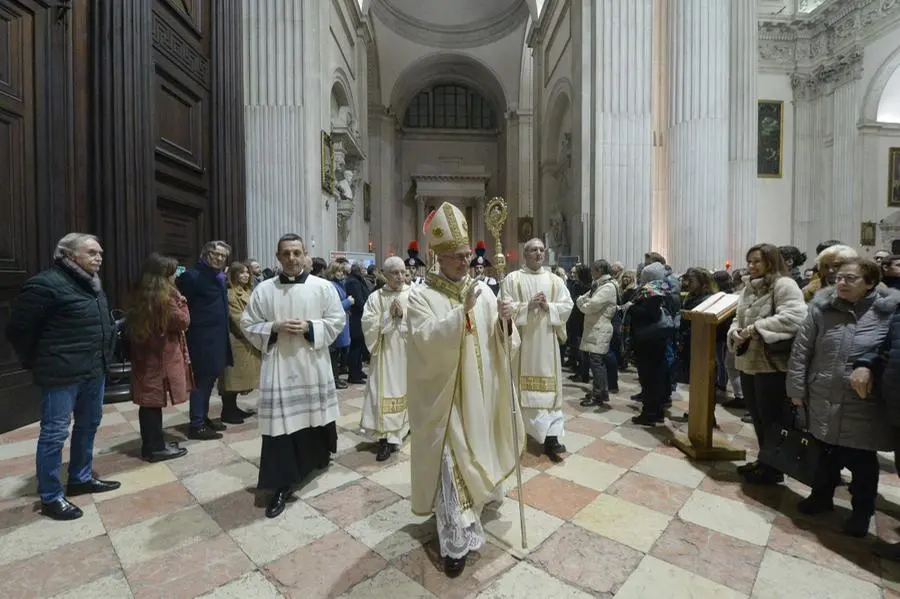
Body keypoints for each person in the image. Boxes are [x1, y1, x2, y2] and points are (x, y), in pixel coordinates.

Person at [407, 202, 524, 577]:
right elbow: (424, 342)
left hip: (483, 398)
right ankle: (454, 544)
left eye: (468, 256)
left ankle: (480, 502)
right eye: (456, 257)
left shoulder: (486, 294)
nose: (465, 262)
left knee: (480, 455)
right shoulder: (421, 298)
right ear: (436, 257)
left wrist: (506, 324)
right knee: (451, 469)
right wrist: (461, 313)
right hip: (448, 404)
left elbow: (504, 345)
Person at [5, 233, 120, 520]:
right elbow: (17, 329)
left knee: (89, 424)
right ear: (68, 255)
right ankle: (51, 496)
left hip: (94, 369)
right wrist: (40, 360)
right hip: (61, 373)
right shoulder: (46, 283)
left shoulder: (92, 284)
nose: (99, 258)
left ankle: (80, 477)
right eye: (92, 252)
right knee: (55, 433)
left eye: (100, 253)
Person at [787, 258, 897, 536]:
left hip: (862, 399)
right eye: (839, 278)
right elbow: (802, 350)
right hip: (823, 391)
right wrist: (797, 389)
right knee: (824, 451)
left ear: (870, 282)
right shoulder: (821, 309)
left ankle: (862, 512)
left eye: (851, 278)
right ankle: (821, 496)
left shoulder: (888, 311)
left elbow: (888, 353)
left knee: (861, 459)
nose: (842, 283)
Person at [241, 234, 346, 518]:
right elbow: (247, 324)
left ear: (304, 256)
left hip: (312, 364)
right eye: (286, 254)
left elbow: (337, 320)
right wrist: (273, 327)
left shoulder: (322, 287)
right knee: (281, 428)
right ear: (278, 256)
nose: (291, 258)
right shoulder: (264, 290)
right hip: (280, 367)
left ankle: (314, 460)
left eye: (297, 253)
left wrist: (311, 327)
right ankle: (281, 484)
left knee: (312, 420)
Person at [728, 243, 807, 484]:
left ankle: (774, 468)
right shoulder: (748, 287)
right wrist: (735, 331)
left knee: (772, 418)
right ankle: (765, 460)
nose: (751, 266)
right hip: (749, 360)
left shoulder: (784, 284)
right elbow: (737, 316)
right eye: (749, 261)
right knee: (758, 415)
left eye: (757, 261)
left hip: (772, 363)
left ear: (770, 262)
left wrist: (754, 329)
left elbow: (795, 317)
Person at [501, 238, 573, 461]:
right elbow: (503, 307)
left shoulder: (555, 281)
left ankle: (551, 437)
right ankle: (519, 433)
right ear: (525, 254)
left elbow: (567, 306)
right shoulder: (513, 279)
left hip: (547, 345)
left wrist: (548, 306)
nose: (539, 253)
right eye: (534, 250)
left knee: (550, 393)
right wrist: (527, 307)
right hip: (522, 346)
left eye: (542, 250)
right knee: (520, 392)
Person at [127, 253, 191, 463]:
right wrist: (182, 302)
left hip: (146, 355)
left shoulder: (143, 293)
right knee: (152, 404)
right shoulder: (164, 298)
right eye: (172, 274)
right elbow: (182, 321)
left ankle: (154, 444)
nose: (175, 277)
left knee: (149, 403)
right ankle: (155, 448)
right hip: (159, 357)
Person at [177, 240, 233, 440]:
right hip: (201, 338)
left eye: (223, 256)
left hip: (217, 337)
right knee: (201, 382)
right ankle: (196, 425)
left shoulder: (218, 277)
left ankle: (204, 417)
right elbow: (182, 305)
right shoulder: (192, 276)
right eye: (215, 254)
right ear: (204, 254)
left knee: (210, 380)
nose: (219, 258)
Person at [360, 256, 411, 461]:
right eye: (394, 273)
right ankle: (386, 439)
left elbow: (425, 321)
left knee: (410, 391)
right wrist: (388, 317)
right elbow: (367, 323)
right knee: (384, 393)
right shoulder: (376, 297)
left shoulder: (414, 293)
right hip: (386, 355)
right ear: (384, 274)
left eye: (402, 272)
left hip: (409, 353)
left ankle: (405, 428)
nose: (400, 277)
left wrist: (404, 315)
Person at [218, 262, 260, 424]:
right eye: (241, 272)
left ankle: (233, 408)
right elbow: (238, 319)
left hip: (248, 339)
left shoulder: (248, 290)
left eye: (247, 272)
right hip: (237, 339)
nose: (245, 275)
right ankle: (227, 412)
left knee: (241, 379)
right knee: (231, 380)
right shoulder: (230, 294)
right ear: (233, 275)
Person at [576, 259, 619, 408]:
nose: (591, 272)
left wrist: (582, 304)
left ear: (599, 270)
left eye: (593, 269)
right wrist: (583, 302)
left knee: (597, 362)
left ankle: (599, 394)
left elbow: (591, 305)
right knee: (595, 361)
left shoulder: (608, 287)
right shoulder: (598, 284)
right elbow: (582, 299)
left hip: (600, 327)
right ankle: (600, 391)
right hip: (594, 326)